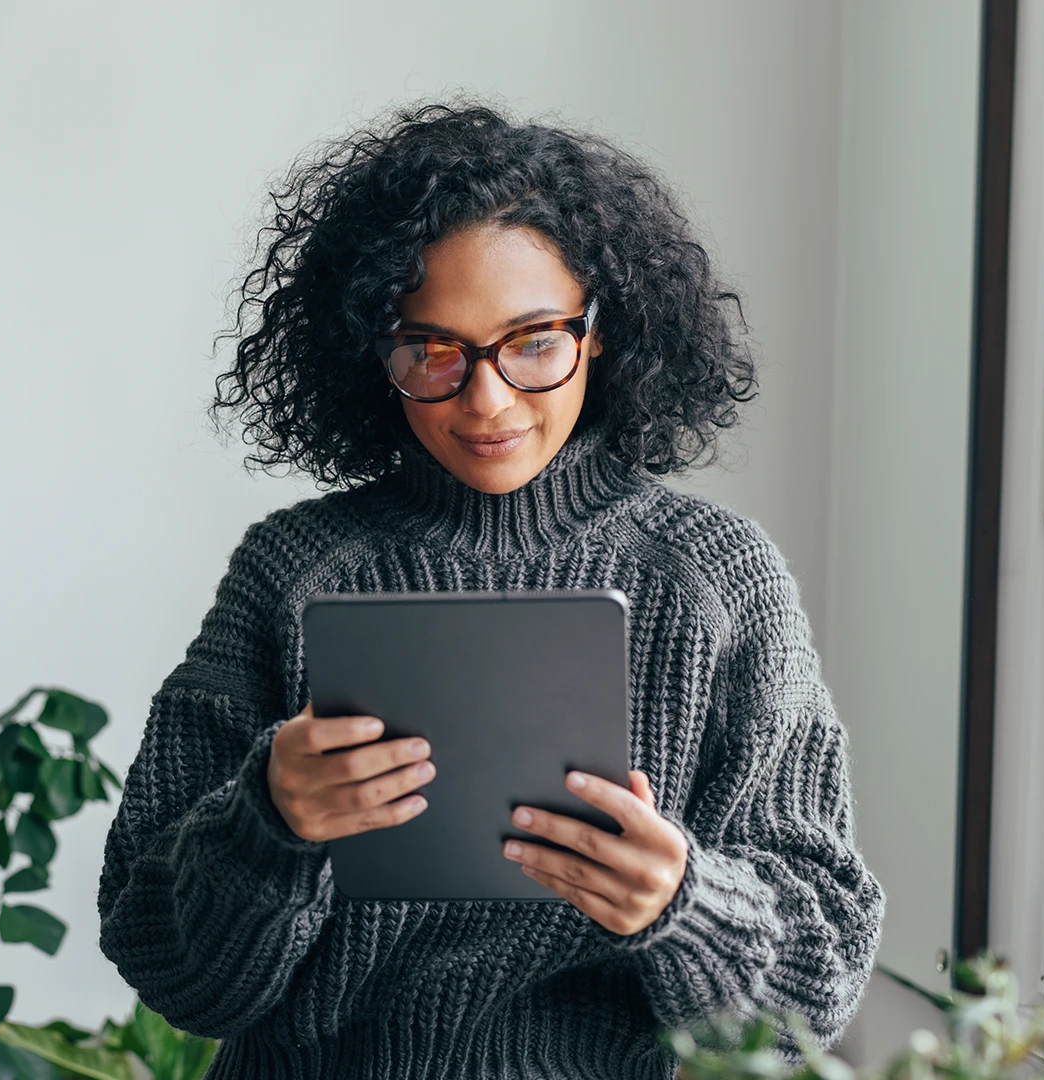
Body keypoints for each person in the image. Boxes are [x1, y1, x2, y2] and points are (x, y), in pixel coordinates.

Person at [95, 100, 884, 1080]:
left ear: (602, 328)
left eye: (534, 342)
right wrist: (268, 820)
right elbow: (165, 962)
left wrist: (683, 903)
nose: (488, 399)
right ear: (370, 350)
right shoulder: (293, 571)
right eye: (433, 349)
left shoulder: (718, 579)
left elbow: (822, 973)